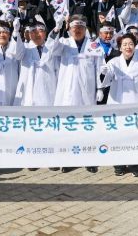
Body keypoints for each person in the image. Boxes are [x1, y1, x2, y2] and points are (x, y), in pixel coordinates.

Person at [47, 14, 103, 173]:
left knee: (87, 125)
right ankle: (68, 159)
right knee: (68, 126)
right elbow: (51, 48)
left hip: (87, 92)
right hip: (68, 92)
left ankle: (89, 159)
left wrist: (100, 88)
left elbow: (100, 67)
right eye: (74, 27)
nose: (77, 30)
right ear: (69, 29)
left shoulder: (93, 45)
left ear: (85, 29)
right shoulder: (63, 43)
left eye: (80, 27)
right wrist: (56, 29)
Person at [100, 33, 138, 178]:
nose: (128, 47)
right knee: (118, 136)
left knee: (135, 137)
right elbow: (107, 79)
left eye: (130, 44)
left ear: (135, 46)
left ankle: (136, 166)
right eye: (124, 44)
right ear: (120, 47)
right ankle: (119, 165)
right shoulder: (114, 62)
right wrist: (104, 72)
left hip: (136, 105)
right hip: (117, 105)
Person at [13, 17, 57, 107]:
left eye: (40, 30)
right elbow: (17, 54)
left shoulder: (52, 49)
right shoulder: (25, 48)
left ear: (45, 33)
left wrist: (57, 29)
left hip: (48, 93)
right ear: (29, 34)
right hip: (28, 94)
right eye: (33, 31)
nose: (37, 34)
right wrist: (16, 32)